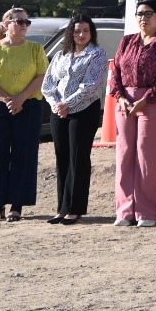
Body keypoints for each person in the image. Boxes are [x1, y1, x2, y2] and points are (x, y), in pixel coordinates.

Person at [0, 7, 50, 223]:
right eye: (20, 21)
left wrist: (20, 99)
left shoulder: (35, 49)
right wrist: (8, 99)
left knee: (23, 154)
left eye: (27, 22)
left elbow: (41, 76)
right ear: (7, 24)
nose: (25, 25)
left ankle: (17, 205)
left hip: (28, 106)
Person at [108, 0, 156, 227]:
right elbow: (115, 72)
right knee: (124, 155)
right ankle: (124, 211)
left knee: (147, 157)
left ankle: (146, 212)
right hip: (124, 102)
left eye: (148, 14)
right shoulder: (127, 41)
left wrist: (145, 100)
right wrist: (120, 97)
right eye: (139, 14)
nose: (143, 18)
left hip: (153, 102)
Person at [41, 14, 109, 224]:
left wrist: (67, 104)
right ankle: (62, 208)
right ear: (71, 33)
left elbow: (91, 85)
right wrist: (56, 104)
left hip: (84, 110)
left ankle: (75, 208)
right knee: (62, 158)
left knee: (78, 158)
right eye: (77, 31)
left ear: (92, 33)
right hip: (58, 112)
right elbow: (48, 84)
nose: (81, 35)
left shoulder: (96, 54)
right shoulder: (61, 55)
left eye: (86, 31)